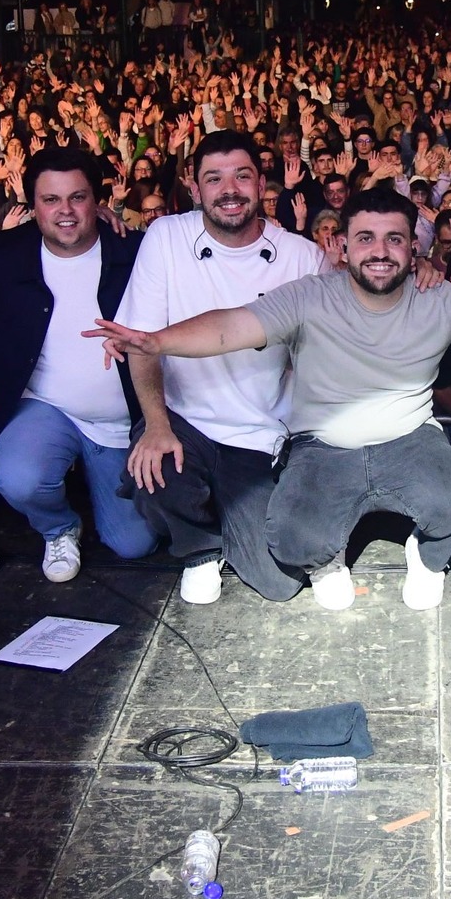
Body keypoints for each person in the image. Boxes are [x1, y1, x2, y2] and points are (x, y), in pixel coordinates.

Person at [92, 187, 451, 610]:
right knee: (292, 543)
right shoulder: (309, 295)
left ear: (413, 248)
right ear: (343, 245)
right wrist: (156, 341)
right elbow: (231, 326)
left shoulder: (443, 300)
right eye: (365, 238)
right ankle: (323, 561)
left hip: (410, 438)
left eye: (394, 239)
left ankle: (427, 559)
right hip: (324, 447)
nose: (380, 251)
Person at [100, 131, 329, 604]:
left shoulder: (303, 256)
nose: (229, 190)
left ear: (261, 183)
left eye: (242, 176)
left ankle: (227, 509)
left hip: (260, 433)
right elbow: (142, 343)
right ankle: (199, 548)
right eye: (214, 178)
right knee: (154, 470)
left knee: (281, 583)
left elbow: (332, 348)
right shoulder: (166, 236)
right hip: (185, 421)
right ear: (195, 187)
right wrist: (156, 425)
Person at [0, 147, 161, 579]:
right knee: (19, 476)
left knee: (134, 544)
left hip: (120, 424)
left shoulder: (136, 251)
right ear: (32, 205)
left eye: (77, 197)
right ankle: (58, 527)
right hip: (47, 409)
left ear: (97, 201)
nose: (65, 211)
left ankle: (103, 488)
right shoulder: (5, 258)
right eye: (51, 199)